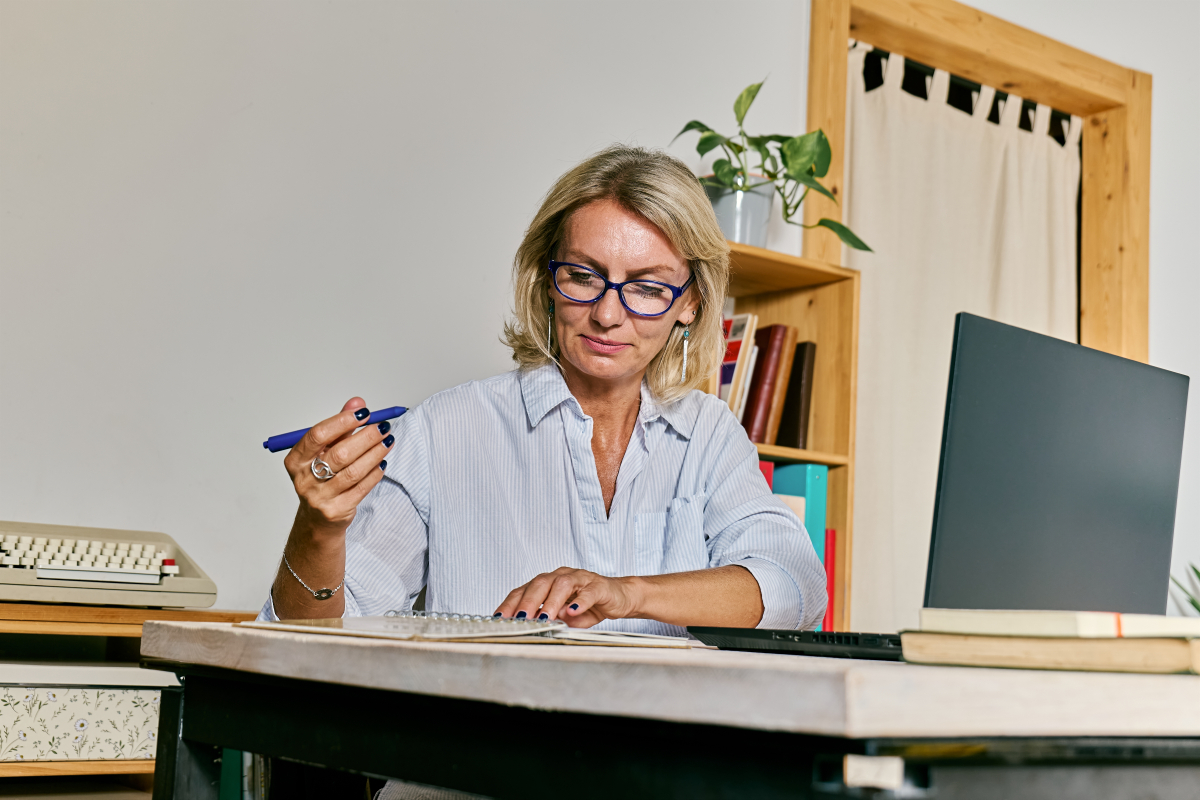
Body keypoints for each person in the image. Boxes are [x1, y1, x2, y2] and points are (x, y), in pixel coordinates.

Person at [261, 144, 826, 633]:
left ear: (691, 302)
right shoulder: (445, 429)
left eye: (648, 287)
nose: (608, 314)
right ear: (546, 277)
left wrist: (627, 593)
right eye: (582, 276)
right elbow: (319, 634)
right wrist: (319, 528)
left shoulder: (709, 433)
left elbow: (795, 589)